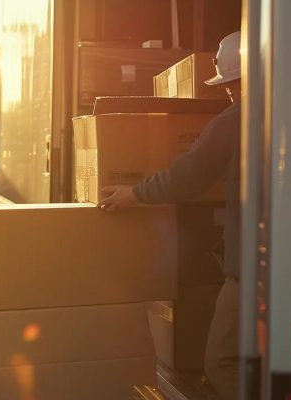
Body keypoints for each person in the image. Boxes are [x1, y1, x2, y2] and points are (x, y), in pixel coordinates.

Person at [98, 31, 242, 400]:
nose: (229, 93)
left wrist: (134, 193)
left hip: (252, 272)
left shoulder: (236, 121)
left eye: (232, 84)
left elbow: (188, 176)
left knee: (222, 362)